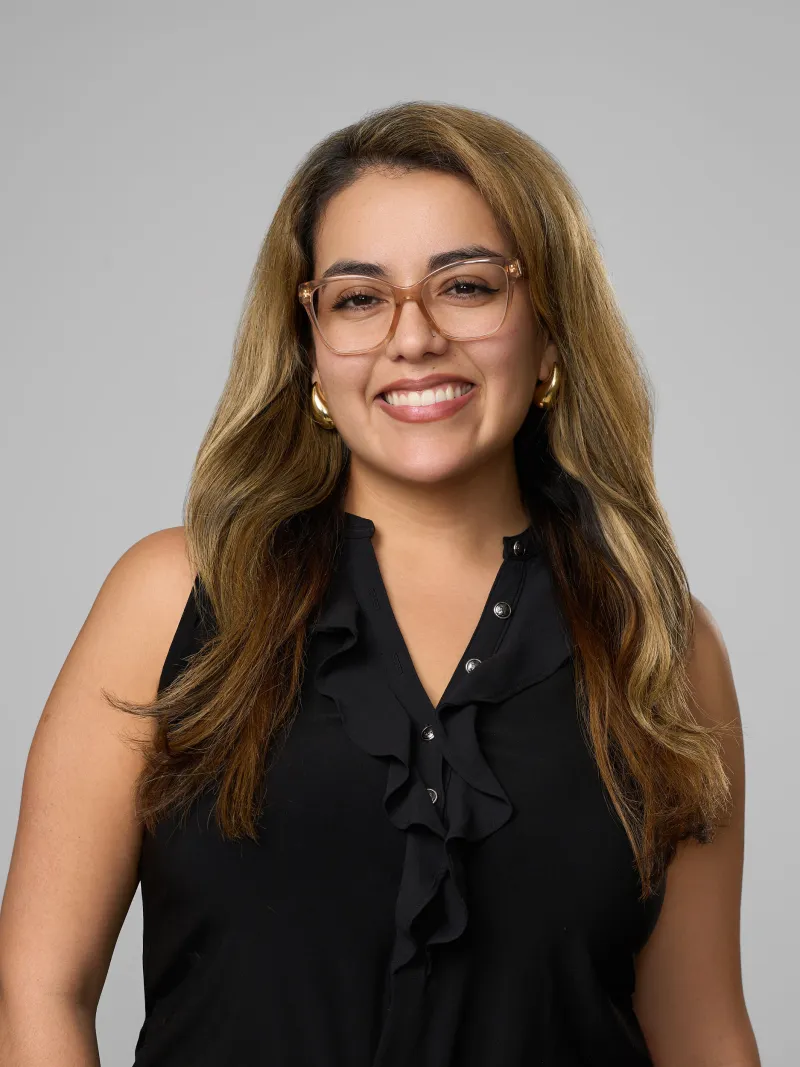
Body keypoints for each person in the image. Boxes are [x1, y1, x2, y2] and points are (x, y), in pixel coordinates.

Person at [0, 101, 760, 1067]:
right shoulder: (174, 596)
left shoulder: (661, 642)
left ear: (551, 335)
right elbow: (37, 992)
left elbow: (700, 1033)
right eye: (360, 298)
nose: (414, 336)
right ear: (312, 349)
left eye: (468, 286)